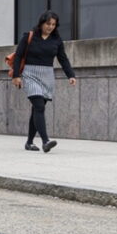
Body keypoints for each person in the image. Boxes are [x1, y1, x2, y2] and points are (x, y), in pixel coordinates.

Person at [11, 10, 77, 153]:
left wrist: (71, 75)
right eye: (48, 24)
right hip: (30, 74)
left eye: (53, 24)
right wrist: (16, 76)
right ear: (41, 23)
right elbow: (18, 56)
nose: (50, 27)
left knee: (37, 109)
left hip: (47, 76)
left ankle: (29, 142)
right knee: (39, 106)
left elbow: (63, 59)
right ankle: (45, 141)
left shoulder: (56, 40)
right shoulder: (29, 36)